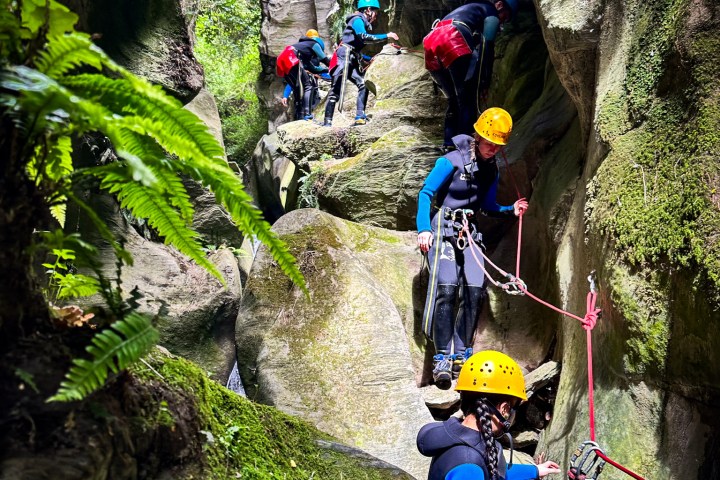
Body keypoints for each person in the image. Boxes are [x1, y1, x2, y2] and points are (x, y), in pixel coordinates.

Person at [416, 107, 527, 390]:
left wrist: (510, 210)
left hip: (469, 229)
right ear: (477, 136)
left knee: (475, 291)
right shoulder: (450, 160)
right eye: (489, 142)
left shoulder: (491, 171)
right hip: (444, 226)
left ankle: (462, 354)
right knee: (447, 287)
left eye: (497, 145)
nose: (492, 149)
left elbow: (488, 206)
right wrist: (424, 229)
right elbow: (426, 193)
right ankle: (442, 356)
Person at [417, 350, 562, 480]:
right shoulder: (469, 466)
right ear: (504, 409)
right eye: (515, 408)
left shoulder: (458, 437)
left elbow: (495, 472)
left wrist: (535, 470)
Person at [423, 0, 518, 150]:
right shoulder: (490, 12)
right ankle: (465, 147)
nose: (503, 22)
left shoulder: (471, 9)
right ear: (500, 5)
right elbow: (487, 46)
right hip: (453, 37)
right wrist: (485, 81)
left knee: (453, 99)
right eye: (505, 17)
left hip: (431, 40)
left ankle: (448, 144)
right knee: (467, 98)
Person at [322, 0, 399, 126]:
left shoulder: (360, 21)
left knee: (363, 84)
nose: (376, 16)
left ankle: (359, 116)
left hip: (351, 57)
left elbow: (355, 47)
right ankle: (327, 123)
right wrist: (387, 35)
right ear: (368, 9)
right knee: (335, 90)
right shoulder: (357, 19)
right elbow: (363, 36)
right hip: (344, 57)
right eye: (375, 12)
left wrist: (370, 58)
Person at [276, 29, 332, 120]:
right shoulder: (314, 44)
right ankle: (307, 114)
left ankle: (301, 115)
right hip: (291, 57)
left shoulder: (302, 50)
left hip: (281, 59)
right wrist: (333, 68)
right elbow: (324, 59)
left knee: (297, 87)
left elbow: (313, 68)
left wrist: (325, 70)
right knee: (308, 86)